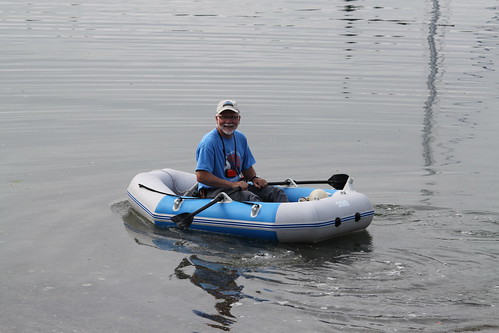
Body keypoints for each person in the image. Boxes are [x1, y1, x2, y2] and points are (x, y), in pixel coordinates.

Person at [195, 100, 288, 202]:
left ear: (239, 119)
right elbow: (201, 176)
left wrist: (254, 178)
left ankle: (288, 216)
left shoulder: (240, 138)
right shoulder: (208, 143)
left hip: (236, 186)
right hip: (213, 190)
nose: (228, 121)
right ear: (216, 118)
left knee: (276, 192)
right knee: (250, 198)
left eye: (233, 117)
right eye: (224, 117)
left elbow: (246, 167)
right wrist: (231, 184)